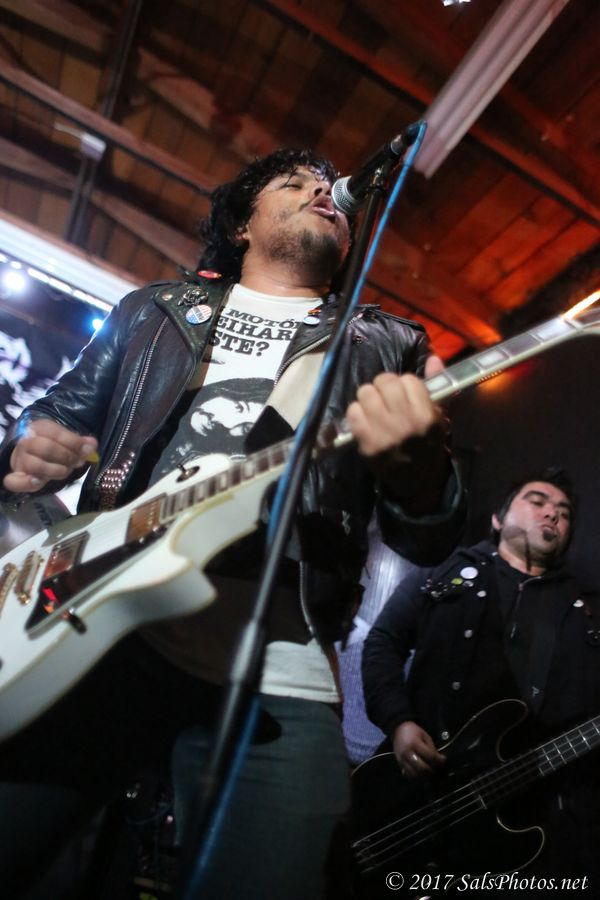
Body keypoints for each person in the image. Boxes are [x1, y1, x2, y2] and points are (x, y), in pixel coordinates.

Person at [0, 148, 465, 899]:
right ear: (243, 226)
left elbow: (430, 535)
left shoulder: (386, 344)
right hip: (100, 630)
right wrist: (29, 444)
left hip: (279, 667)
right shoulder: (153, 312)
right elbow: (53, 415)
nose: (322, 192)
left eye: (329, 189)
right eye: (294, 183)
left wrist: (420, 472)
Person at [362, 469, 600, 894]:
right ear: (497, 518)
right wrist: (399, 722)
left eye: (563, 513)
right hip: (416, 788)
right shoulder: (444, 571)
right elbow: (383, 642)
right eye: (537, 501)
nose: (552, 514)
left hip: (518, 810)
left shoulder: (584, 609)